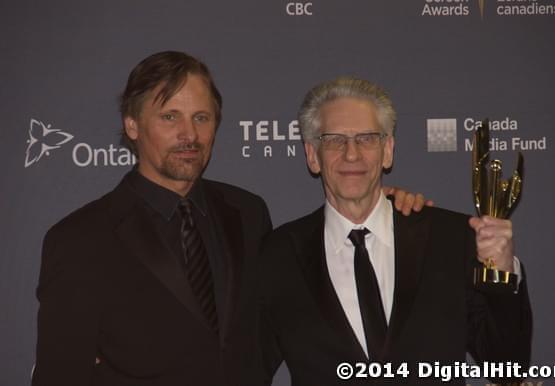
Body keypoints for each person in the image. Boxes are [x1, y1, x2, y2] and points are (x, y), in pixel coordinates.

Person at [32, 52, 427, 386]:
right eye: (170, 117)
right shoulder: (81, 239)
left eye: (201, 118)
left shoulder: (247, 213)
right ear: (132, 125)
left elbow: (281, 322)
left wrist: (376, 207)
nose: (190, 134)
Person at [257, 77, 532, 386]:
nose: (351, 154)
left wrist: (503, 273)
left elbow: (509, 367)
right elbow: (245, 366)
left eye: (367, 138)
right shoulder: (278, 256)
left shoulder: (453, 240)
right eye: (334, 139)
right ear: (311, 155)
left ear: (387, 150)